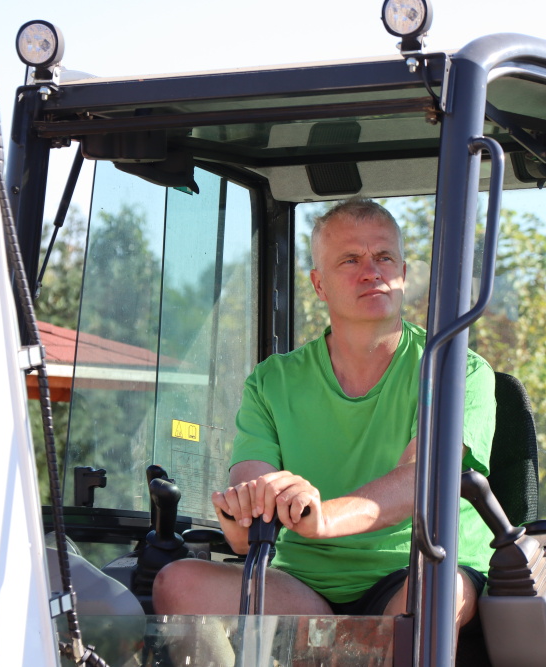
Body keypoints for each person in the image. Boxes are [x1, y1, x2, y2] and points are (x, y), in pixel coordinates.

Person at [153, 198, 496, 627]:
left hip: (415, 569)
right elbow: (247, 518)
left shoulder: (456, 369)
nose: (372, 271)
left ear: (404, 275)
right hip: (302, 582)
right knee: (178, 583)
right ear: (319, 285)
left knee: (435, 594)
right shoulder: (272, 381)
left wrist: (323, 518)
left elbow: (422, 480)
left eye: (384, 257)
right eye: (351, 259)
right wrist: (242, 510)